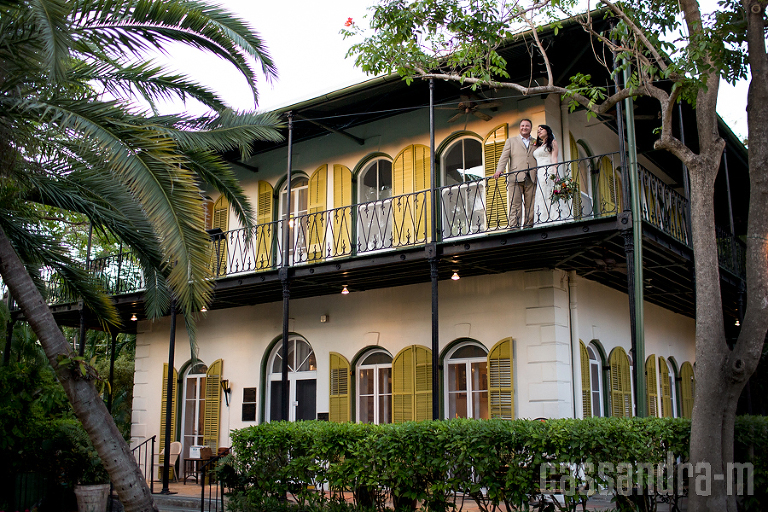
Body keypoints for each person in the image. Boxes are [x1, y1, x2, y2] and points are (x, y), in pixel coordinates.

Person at [492, 119, 538, 228]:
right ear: (519, 127)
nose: (524, 127)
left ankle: (528, 225)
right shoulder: (511, 141)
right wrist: (499, 170)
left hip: (531, 176)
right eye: (522, 125)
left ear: (530, 128)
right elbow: (504, 157)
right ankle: (514, 226)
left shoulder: (536, 142)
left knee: (530, 204)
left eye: (527, 126)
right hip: (515, 176)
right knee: (515, 203)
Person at [532, 124, 560, 223]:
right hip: (539, 172)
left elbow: (554, 158)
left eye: (541, 129)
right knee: (541, 194)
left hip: (548, 170)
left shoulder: (553, 142)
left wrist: (555, 174)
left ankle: (553, 216)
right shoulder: (540, 146)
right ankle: (542, 218)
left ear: (547, 131)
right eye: (538, 130)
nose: (539, 131)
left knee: (548, 192)